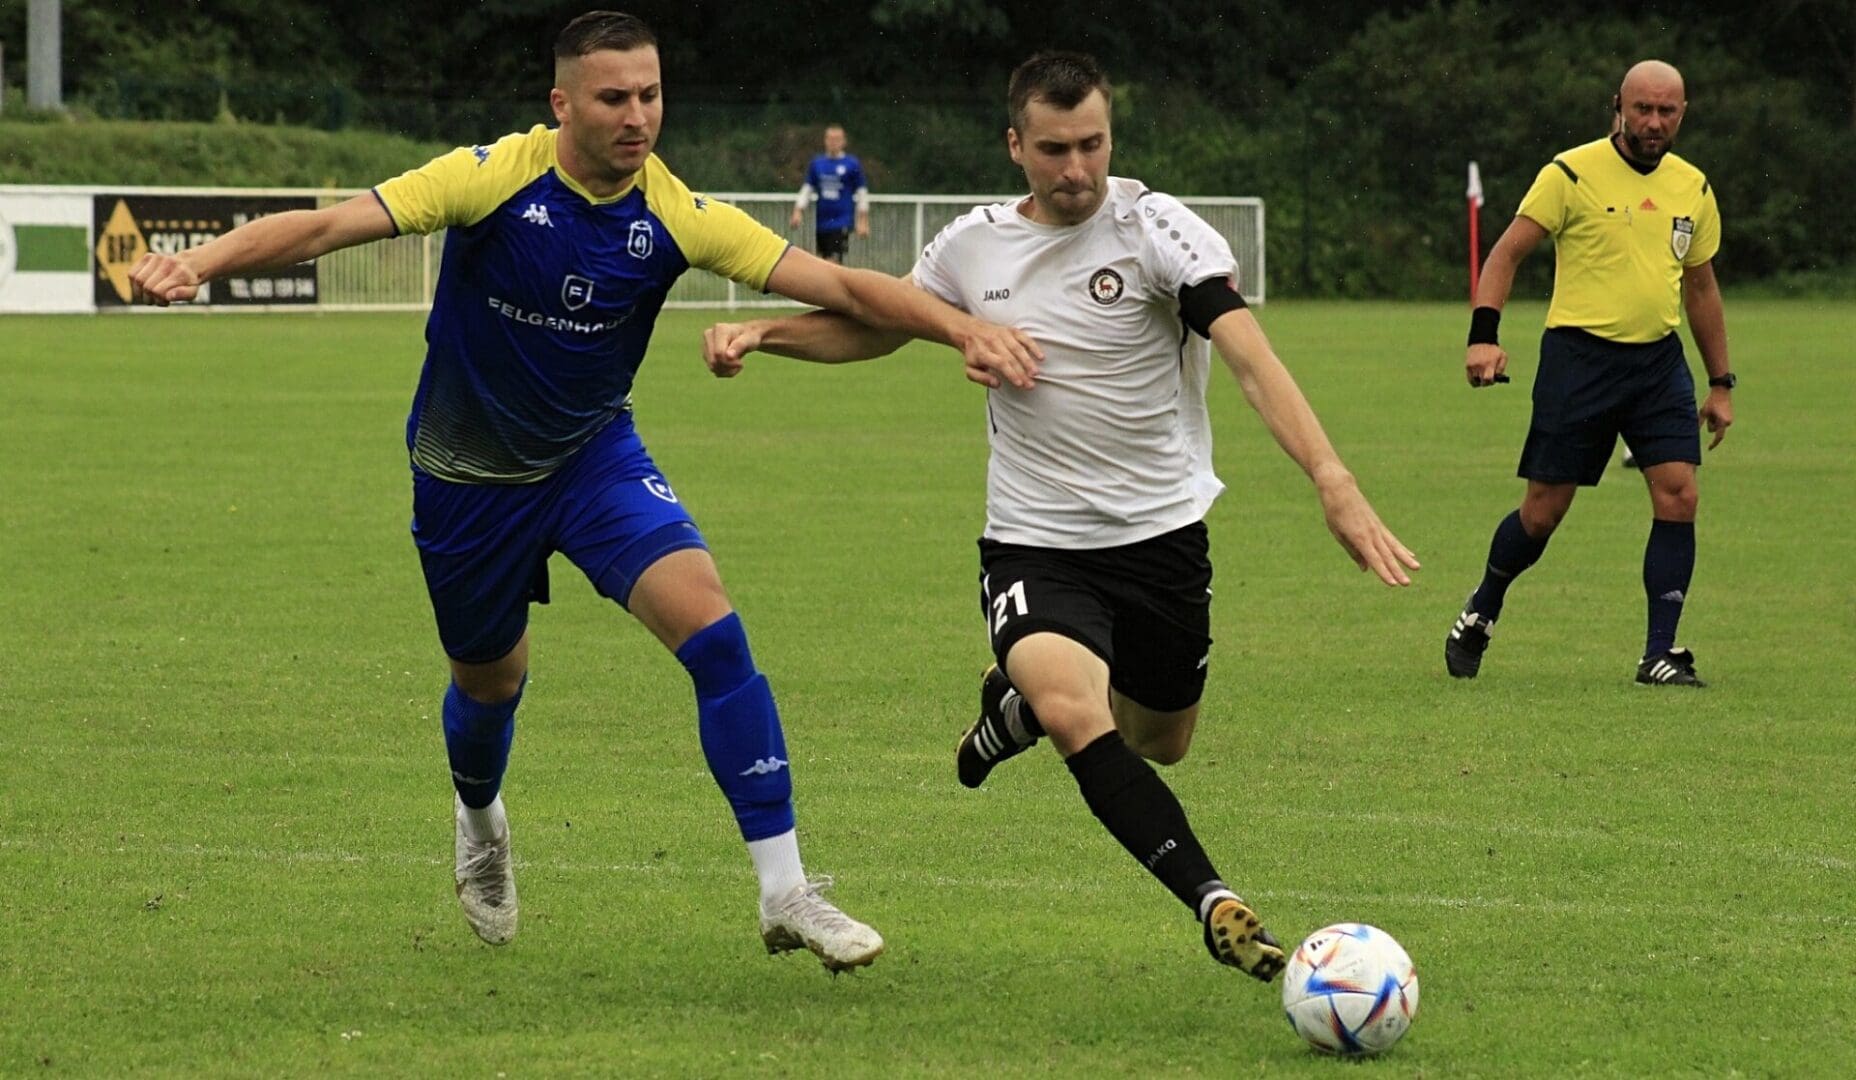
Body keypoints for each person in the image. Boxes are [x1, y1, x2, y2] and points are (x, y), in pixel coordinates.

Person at [127, 10, 1042, 972]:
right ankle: (479, 819)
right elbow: (323, 227)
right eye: (614, 97)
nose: (637, 115)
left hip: (593, 462)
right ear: (562, 103)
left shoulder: (677, 214)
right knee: (491, 684)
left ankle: (788, 890)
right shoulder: (490, 176)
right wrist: (199, 259)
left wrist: (960, 332)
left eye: (650, 94)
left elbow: (846, 289)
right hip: (467, 480)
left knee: (717, 636)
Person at [702, 52, 1418, 982]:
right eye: (1054, 150)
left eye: (1092, 145)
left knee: (1162, 741)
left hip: (1164, 540)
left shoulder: (1159, 229)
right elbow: (883, 325)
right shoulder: (973, 246)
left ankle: (1010, 711)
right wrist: (765, 332)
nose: (1076, 169)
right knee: (1079, 712)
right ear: (1015, 146)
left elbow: (1246, 352)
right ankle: (1214, 902)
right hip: (1036, 540)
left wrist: (1332, 476)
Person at [1448, 59, 1734, 687]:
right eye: (1642, 109)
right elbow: (1506, 253)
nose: (1653, 122)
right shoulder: (1570, 171)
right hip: (1579, 361)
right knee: (1543, 513)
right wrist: (1483, 338)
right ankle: (1483, 605)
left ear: (1682, 113)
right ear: (1619, 106)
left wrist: (1720, 382)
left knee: (1680, 493)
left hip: (1658, 362)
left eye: (1666, 111)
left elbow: (1703, 288)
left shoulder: (1694, 187)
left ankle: (1661, 651)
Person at [787, 124, 869, 263]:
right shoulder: (817, 163)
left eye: (837, 139)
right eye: (830, 139)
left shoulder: (851, 164)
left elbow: (862, 192)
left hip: (841, 222)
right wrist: (797, 211)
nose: (833, 142)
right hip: (822, 222)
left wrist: (863, 220)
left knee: (833, 263)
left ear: (844, 141)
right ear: (825, 140)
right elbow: (807, 189)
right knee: (824, 263)